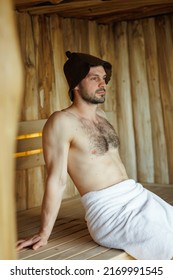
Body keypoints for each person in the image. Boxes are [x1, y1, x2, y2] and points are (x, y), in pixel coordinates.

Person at [17, 51, 173, 260]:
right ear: (76, 84)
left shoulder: (102, 117)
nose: (103, 83)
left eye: (104, 78)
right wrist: (43, 233)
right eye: (94, 78)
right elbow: (57, 179)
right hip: (110, 212)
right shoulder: (61, 121)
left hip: (137, 196)